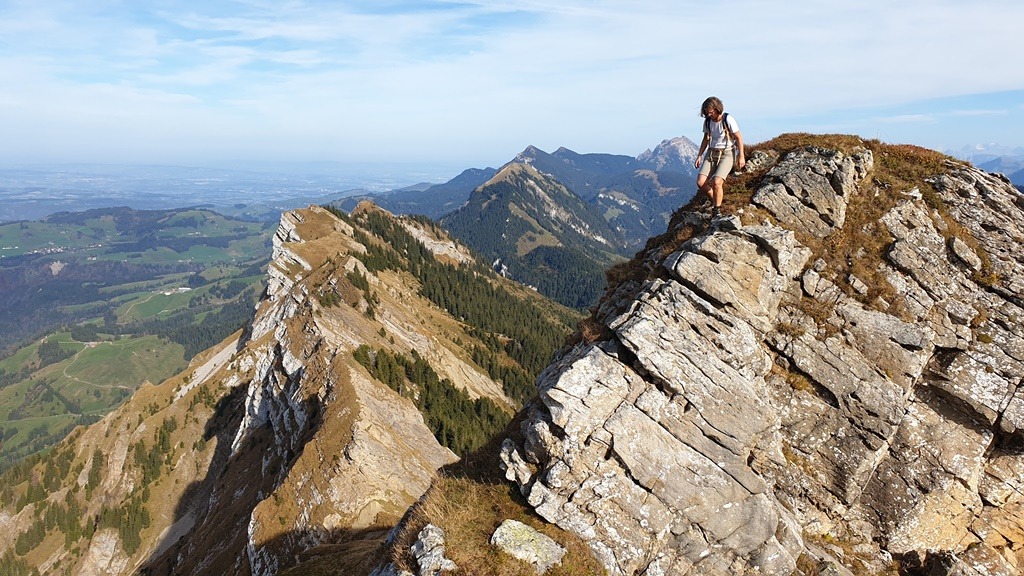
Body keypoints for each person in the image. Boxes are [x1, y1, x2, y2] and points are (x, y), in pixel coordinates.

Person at [693, 97, 745, 218]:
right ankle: (716, 198)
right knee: (701, 183)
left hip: (727, 153)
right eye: (707, 113)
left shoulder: (728, 119)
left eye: (711, 112)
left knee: (717, 182)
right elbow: (706, 139)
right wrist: (699, 155)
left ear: (717, 108)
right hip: (711, 153)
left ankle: (717, 210)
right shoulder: (707, 122)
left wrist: (741, 156)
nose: (710, 115)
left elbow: (738, 138)